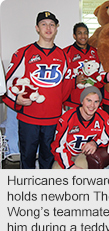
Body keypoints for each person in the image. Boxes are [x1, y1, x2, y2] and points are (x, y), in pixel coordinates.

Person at [2, 11, 72, 169]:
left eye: (52, 24)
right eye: (44, 24)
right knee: (27, 158)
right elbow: (7, 84)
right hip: (28, 119)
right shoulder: (23, 53)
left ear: (56, 28)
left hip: (53, 119)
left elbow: (67, 87)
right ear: (37, 28)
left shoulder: (64, 56)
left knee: (48, 158)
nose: (48, 28)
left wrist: (55, 103)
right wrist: (16, 99)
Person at [51, 86, 109, 169]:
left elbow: (106, 139)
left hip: (84, 154)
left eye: (96, 101)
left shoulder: (104, 117)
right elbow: (58, 146)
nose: (92, 105)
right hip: (66, 153)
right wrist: (70, 166)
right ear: (82, 101)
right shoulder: (67, 118)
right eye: (89, 100)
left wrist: (95, 143)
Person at [63, 22, 102, 109]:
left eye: (85, 33)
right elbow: (61, 78)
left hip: (93, 101)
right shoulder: (65, 52)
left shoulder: (96, 52)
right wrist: (74, 80)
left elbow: (100, 74)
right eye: (79, 33)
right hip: (73, 101)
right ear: (74, 36)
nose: (83, 36)